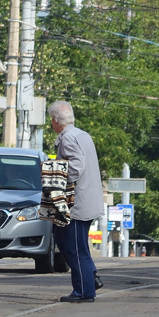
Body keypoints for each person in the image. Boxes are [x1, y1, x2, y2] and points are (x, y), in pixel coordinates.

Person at [49, 100, 102, 303]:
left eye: (51, 120)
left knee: (74, 246)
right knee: (69, 241)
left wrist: (58, 179)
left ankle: (84, 290)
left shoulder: (68, 138)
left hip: (76, 202)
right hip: (84, 200)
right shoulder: (82, 135)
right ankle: (90, 277)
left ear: (55, 121)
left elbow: (76, 166)